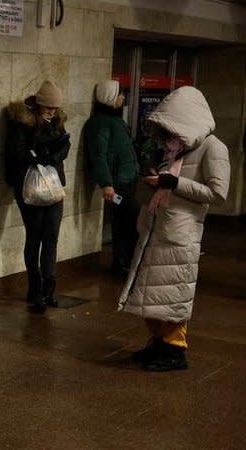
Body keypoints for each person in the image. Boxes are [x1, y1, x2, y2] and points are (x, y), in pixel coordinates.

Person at [119, 86, 230, 372]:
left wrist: (174, 183)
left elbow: (218, 193)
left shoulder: (213, 147)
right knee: (152, 293)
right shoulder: (177, 148)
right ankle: (159, 343)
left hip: (181, 234)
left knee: (172, 292)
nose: (169, 137)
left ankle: (175, 350)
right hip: (158, 228)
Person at [5, 80, 71, 313]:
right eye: (48, 108)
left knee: (51, 237)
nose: (52, 112)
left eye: (55, 108)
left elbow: (65, 147)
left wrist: (53, 154)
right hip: (29, 186)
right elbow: (18, 152)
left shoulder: (58, 121)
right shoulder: (22, 121)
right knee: (35, 236)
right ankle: (35, 290)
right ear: (39, 104)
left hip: (53, 186)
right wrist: (43, 152)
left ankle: (48, 290)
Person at [84, 80, 139, 275]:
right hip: (118, 182)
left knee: (129, 221)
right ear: (110, 98)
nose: (123, 98)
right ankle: (121, 263)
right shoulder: (100, 123)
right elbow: (99, 155)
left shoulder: (115, 121)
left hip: (127, 179)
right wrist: (107, 183)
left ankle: (127, 262)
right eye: (120, 94)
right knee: (124, 223)